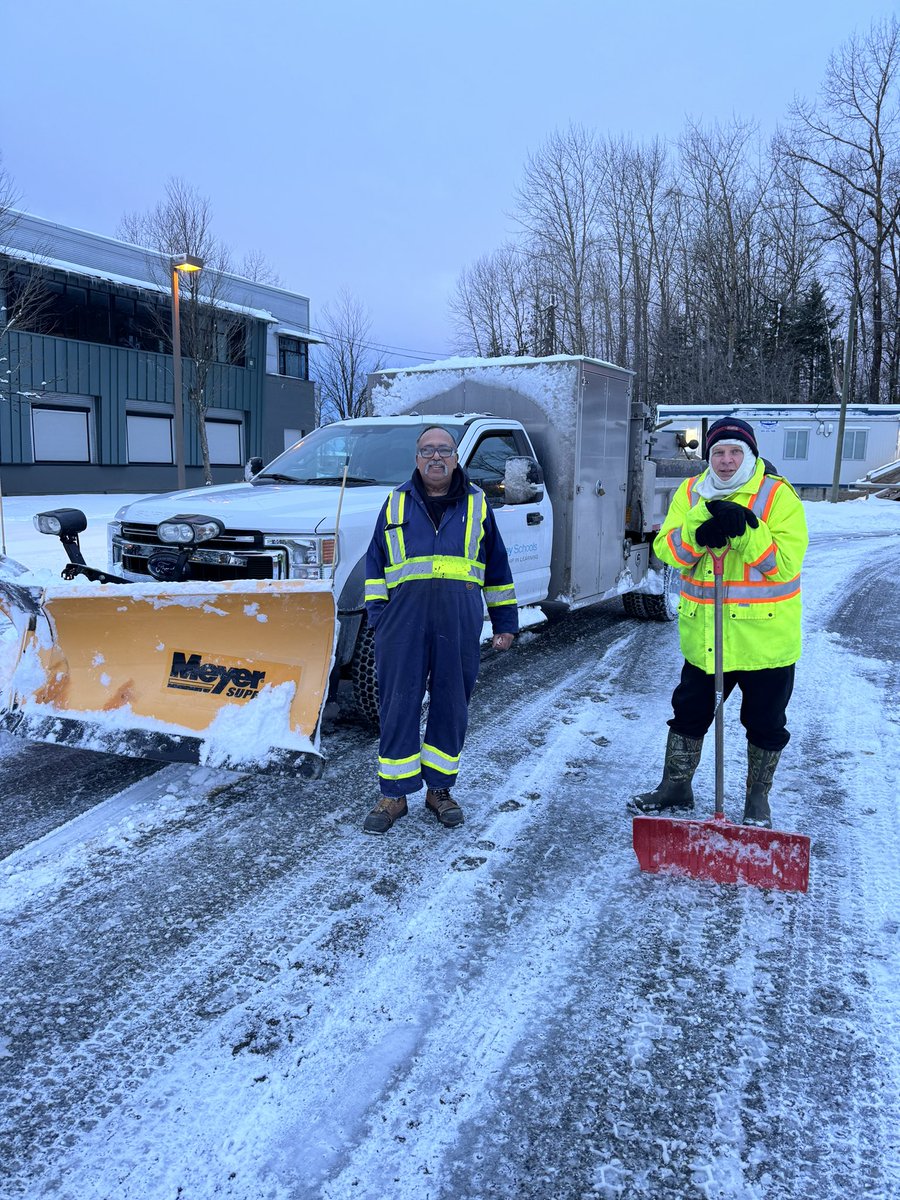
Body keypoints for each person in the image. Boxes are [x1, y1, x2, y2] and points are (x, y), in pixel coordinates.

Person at [632, 416, 808, 828]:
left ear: (750, 454)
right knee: (689, 714)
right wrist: (697, 530)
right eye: (718, 453)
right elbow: (669, 551)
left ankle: (756, 801)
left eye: (735, 452)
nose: (726, 462)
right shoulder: (691, 492)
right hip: (707, 638)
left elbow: (783, 566)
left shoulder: (778, 496)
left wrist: (745, 532)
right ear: (708, 455)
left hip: (765, 641)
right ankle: (675, 788)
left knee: (765, 723)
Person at [361, 426, 518, 834]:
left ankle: (439, 790)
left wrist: (505, 622)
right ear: (416, 458)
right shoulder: (394, 504)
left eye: (444, 450)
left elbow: (497, 567)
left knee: (451, 704)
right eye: (427, 450)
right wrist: (378, 616)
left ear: (455, 457)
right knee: (397, 704)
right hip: (401, 623)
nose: (435, 457)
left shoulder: (477, 504)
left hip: (457, 621)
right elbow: (375, 564)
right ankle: (394, 794)